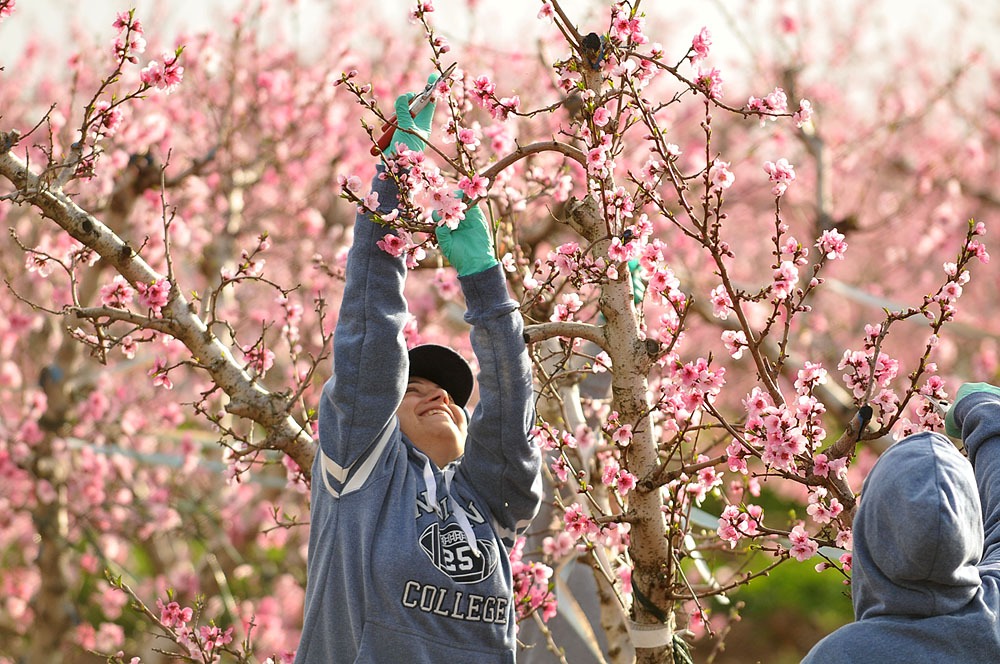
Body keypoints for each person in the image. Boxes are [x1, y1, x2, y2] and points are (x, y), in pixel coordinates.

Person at [292, 76, 543, 663]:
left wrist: (485, 280)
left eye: (452, 396)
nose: (440, 398)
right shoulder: (362, 474)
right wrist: (396, 182)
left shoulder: (491, 502)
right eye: (417, 389)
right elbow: (369, 333)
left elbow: (510, 410)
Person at [802, 383, 1000, 663]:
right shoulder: (993, 616)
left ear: (870, 532)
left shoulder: (839, 655)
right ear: (970, 526)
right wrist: (984, 408)